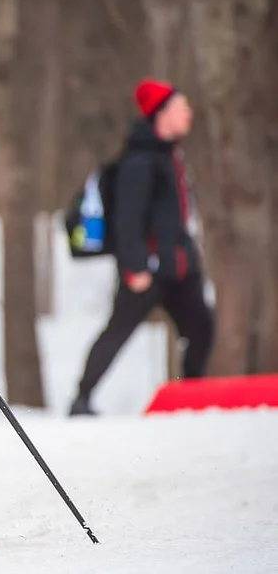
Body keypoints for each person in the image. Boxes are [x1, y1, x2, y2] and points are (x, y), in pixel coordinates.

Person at [69, 79, 214, 416]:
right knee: (117, 332)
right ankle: (81, 399)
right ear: (162, 114)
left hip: (178, 267)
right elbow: (128, 220)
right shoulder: (138, 161)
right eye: (182, 107)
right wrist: (134, 267)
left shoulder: (170, 155)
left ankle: (190, 396)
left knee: (202, 328)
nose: (188, 112)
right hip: (146, 268)